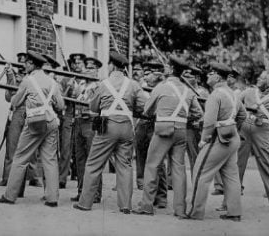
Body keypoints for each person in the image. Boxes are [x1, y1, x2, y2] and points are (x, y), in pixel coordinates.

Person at [73, 51, 146, 213]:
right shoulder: (133, 85)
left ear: (112, 65)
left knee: (93, 164)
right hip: (127, 127)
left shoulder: (103, 84)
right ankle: (125, 205)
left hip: (107, 126)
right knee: (125, 166)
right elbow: (143, 106)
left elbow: (92, 107)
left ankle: (85, 203)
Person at [133, 56, 203, 216]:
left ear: (171, 69)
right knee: (178, 169)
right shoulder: (188, 90)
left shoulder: (161, 87)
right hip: (181, 130)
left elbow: (147, 110)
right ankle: (180, 209)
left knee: (152, 165)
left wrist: (160, 111)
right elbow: (198, 113)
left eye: (167, 67)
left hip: (163, 129)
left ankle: (146, 205)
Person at [0, 51, 65, 206]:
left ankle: (10, 195)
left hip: (35, 122)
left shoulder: (28, 81)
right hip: (51, 121)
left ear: (32, 65)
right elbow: (60, 105)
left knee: (20, 158)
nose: (24, 65)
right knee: (50, 160)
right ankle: (52, 198)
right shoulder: (52, 81)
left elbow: (14, 101)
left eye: (26, 62)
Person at [183, 62, 247, 221]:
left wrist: (203, 140)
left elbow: (210, 123)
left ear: (218, 76)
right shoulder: (234, 94)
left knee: (200, 174)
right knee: (231, 176)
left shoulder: (215, 95)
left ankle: (194, 212)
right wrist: (231, 126)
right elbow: (242, 116)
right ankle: (234, 212)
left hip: (218, 139)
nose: (207, 76)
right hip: (232, 137)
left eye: (211, 73)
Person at [228, 68, 269, 214]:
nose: (259, 79)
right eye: (259, 77)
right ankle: (228, 202)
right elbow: (234, 104)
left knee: (266, 164)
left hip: (262, 129)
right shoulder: (248, 92)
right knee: (236, 164)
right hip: (245, 127)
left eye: (262, 78)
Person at [0, 53, 41, 188]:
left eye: (26, 62)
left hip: (31, 111)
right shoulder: (14, 77)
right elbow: (8, 96)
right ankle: (7, 177)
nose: (23, 65)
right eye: (21, 62)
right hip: (17, 112)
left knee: (32, 146)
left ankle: (34, 177)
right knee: (12, 145)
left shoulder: (34, 78)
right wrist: (10, 78)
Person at [133, 61, 169, 204]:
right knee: (141, 159)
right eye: (145, 74)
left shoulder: (164, 88)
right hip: (142, 124)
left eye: (149, 74)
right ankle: (146, 193)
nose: (145, 77)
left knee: (158, 161)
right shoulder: (140, 89)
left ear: (159, 75)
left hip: (156, 125)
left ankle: (160, 197)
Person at [71, 56, 104, 203]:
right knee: (80, 159)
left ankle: (95, 193)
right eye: (86, 67)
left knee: (93, 159)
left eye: (91, 68)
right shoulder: (80, 84)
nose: (87, 71)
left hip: (91, 123)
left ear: (97, 71)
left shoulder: (100, 86)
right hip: (78, 122)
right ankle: (81, 191)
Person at [59, 53, 86, 189]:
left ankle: (79, 177)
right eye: (75, 63)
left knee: (81, 149)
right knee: (65, 147)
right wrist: (69, 87)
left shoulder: (88, 80)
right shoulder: (66, 79)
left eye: (80, 63)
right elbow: (60, 100)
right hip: (69, 114)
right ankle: (62, 178)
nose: (77, 65)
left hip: (82, 115)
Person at [184, 65, 209, 174]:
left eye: (189, 77)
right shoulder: (184, 90)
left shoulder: (202, 92)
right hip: (186, 125)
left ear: (197, 78)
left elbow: (206, 111)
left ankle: (197, 180)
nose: (186, 79)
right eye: (185, 76)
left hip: (196, 127)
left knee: (196, 155)